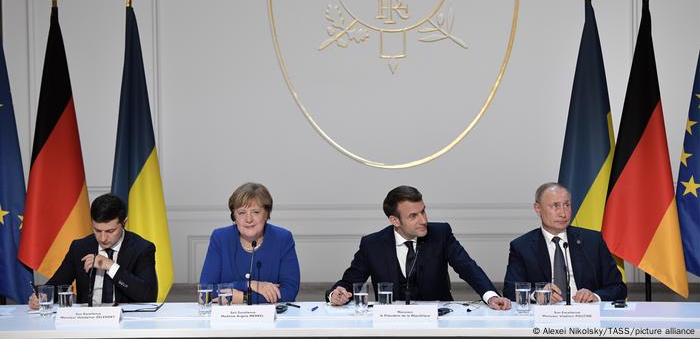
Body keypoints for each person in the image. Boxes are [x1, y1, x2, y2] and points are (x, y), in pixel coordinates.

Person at [326, 185, 511, 310]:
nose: (423, 220)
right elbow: (349, 282)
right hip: (390, 326)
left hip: (439, 324)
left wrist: (490, 296)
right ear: (394, 220)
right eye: (413, 216)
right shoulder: (372, 244)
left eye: (423, 211)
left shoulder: (441, 233)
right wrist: (336, 294)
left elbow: (469, 268)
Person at [503, 182, 627, 303]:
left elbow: (618, 287)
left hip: (586, 314)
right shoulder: (522, 246)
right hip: (543, 317)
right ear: (538, 208)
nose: (563, 213)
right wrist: (537, 294)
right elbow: (510, 290)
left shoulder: (592, 241)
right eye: (555, 206)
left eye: (567, 205)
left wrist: (595, 296)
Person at [28, 194, 157, 308]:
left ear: (124, 223)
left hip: (125, 323)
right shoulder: (79, 247)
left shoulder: (142, 248)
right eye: (97, 230)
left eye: (110, 231)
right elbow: (57, 284)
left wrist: (111, 266)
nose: (103, 238)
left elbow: (148, 296)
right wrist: (41, 297)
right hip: (87, 322)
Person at [200, 182, 300, 304]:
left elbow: (289, 292)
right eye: (242, 212)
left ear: (267, 214)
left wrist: (242, 298)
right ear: (234, 216)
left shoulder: (282, 238)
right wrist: (249, 285)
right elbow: (206, 292)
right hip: (228, 320)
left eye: (256, 212)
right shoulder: (220, 238)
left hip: (271, 318)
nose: (248, 219)